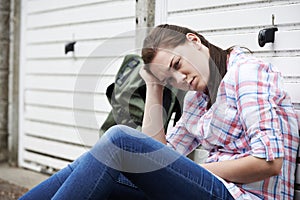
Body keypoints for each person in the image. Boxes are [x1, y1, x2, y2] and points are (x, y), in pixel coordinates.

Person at [20, 24, 299, 200]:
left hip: (242, 196)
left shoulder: (246, 72)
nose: (180, 80)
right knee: (94, 159)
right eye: (170, 80)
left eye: (178, 64)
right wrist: (155, 85)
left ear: (194, 41)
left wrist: (199, 171)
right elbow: (159, 158)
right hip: (213, 189)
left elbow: (269, 163)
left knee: (118, 140)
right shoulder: (198, 101)